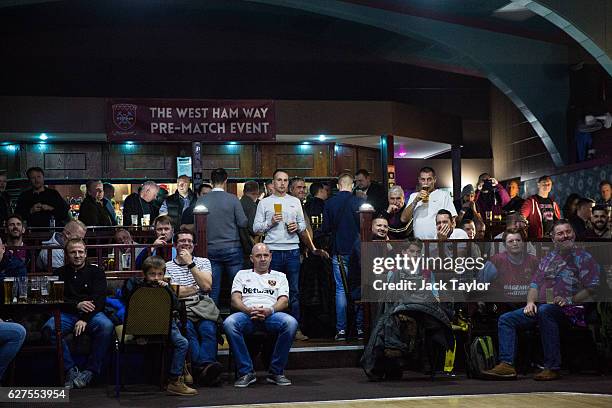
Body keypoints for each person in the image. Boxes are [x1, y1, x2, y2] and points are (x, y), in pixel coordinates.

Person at [482, 220, 600, 381]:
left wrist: (569, 299)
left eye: (568, 232)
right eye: (560, 233)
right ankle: (507, 365)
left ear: (574, 234)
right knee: (506, 319)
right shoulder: (548, 259)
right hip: (545, 306)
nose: (565, 236)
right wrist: (530, 302)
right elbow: (534, 285)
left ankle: (552, 367)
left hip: (572, 310)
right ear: (553, 238)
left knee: (546, 312)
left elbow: (592, 288)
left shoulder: (584, 257)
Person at [253, 169, 326, 341]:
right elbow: (255, 228)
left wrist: (297, 228)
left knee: (294, 291)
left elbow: (302, 226)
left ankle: (295, 329)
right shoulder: (264, 203)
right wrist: (270, 223)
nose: (282, 183)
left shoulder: (295, 202)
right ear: (273, 182)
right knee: (271, 290)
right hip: (272, 252)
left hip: (292, 250)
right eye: (279, 180)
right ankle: (271, 328)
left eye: (285, 180)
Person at [42, 238, 114, 388]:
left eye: (80, 252)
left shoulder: (97, 272)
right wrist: (77, 305)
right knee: (49, 327)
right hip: (67, 314)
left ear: (86, 253)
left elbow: (99, 299)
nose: (77, 255)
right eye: (73, 252)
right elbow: (56, 299)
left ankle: (90, 371)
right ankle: (70, 370)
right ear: (66, 255)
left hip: (92, 314)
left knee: (106, 326)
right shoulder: (59, 273)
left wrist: (84, 319)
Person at [223, 243, 298, 387]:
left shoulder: (280, 276)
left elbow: (284, 301)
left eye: (265, 255)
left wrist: (269, 310)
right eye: (258, 256)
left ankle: (276, 372)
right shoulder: (242, 274)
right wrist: (247, 310)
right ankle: (246, 372)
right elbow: (235, 299)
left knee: (291, 323)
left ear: (270, 257)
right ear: (252, 258)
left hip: (271, 316)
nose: (262, 259)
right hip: (247, 315)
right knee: (229, 323)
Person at [121, 256, 196, 396]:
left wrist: (167, 290)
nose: (156, 278)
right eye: (152, 274)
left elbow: (176, 306)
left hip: (164, 323)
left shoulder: (167, 288)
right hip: (141, 323)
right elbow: (130, 306)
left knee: (182, 343)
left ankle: (174, 380)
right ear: (144, 274)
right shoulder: (134, 285)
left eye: (159, 274)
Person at [165, 229, 223, 386]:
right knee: (188, 331)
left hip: (203, 308)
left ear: (194, 245)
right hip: (182, 310)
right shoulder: (167, 266)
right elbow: (174, 293)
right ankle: (206, 369)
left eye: (189, 241)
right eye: (182, 241)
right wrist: (194, 287)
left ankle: (201, 369)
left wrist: (190, 263)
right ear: (175, 245)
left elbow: (206, 286)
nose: (186, 243)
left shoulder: (203, 262)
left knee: (208, 330)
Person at [321, 173, 364, 341]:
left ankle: (341, 330)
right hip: (358, 252)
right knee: (360, 288)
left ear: (338, 186)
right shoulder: (359, 202)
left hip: (338, 252)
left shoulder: (330, 203)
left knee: (340, 290)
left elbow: (325, 228)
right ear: (352, 186)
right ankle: (360, 328)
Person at [198, 168, 247, 305]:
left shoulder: (202, 200)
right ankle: (236, 316)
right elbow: (243, 222)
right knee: (237, 287)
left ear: (211, 181)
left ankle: (212, 319)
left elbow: (197, 225)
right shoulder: (233, 199)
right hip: (232, 247)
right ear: (226, 181)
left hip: (210, 248)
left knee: (212, 287)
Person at [479, 228, 540, 304]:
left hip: (528, 305)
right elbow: (481, 284)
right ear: (504, 244)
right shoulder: (495, 261)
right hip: (503, 305)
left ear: (523, 243)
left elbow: (542, 285)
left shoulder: (533, 261)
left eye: (518, 240)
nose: (515, 243)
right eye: (510, 241)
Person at [403, 167, 456, 239]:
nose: (426, 183)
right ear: (419, 180)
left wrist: (446, 236)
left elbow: (453, 219)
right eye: (423, 179)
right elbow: (404, 219)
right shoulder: (414, 196)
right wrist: (415, 201)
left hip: (438, 240)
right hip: (419, 243)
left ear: (434, 179)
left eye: (429, 179)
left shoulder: (444, 195)